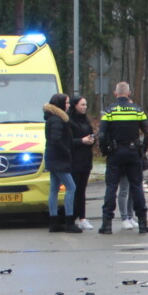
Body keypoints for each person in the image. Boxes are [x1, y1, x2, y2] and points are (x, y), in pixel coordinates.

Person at [96, 81, 148, 235]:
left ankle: (107, 224)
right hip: (133, 152)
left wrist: (105, 151)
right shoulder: (137, 110)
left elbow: (101, 135)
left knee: (111, 187)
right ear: (128, 93)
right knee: (136, 187)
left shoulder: (110, 111)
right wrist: (142, 149)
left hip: (115, 153)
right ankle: (142, 223)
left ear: (115, 93)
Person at [42, 94, 81, 233]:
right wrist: (67, 152)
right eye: (67, 102)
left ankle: (54, 221)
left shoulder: (52, 118)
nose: (69, 105)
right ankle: (69, 221)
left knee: (54, 189)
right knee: (71, 187)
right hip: (59, 159)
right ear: (60, 104)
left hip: (53, 158)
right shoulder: (57, 120)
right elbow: (56, 140)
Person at [67, 95, 96, 230]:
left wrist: (91, 140)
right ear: (75, 106)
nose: (84, 107)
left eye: (85, 105)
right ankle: (72, 216)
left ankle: (82, 217)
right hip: (74, 160)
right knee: (74, 189)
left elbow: (90, 133)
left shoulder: (85, 120)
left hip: (86, 159)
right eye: (82, 105)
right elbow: (67, 141)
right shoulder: (69, 121)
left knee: (82, 190)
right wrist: (81, 141)